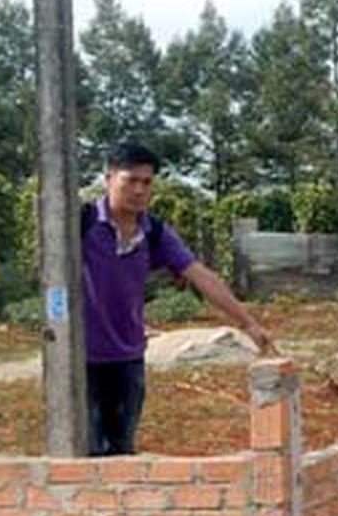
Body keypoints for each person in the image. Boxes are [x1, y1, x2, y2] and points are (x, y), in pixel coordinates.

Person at [81, 141, 274, 456]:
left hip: (128, 358)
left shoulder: (154, 232)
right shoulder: (82, 224)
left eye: (147, 182)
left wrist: (248, 324)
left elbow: (201, 276)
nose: (140, 190)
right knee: (84, 454)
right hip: (80, 360)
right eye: (131, 180)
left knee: (122, 452)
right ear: (109, 179)